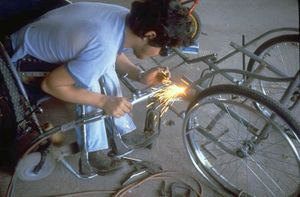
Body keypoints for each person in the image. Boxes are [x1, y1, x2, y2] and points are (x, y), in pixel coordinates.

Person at [9, 0, 192, 174]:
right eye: (163, 49)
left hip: (32, 36)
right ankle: (92, 154)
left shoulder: (121, 17)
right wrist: (104, 101)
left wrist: (140, 75)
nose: (161, 54)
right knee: (90, 85)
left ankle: (125, 131)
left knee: (100, 66)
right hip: (20, 62)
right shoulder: (103, 45)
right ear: (149, 35)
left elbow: (112, 52)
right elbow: (51, 85)